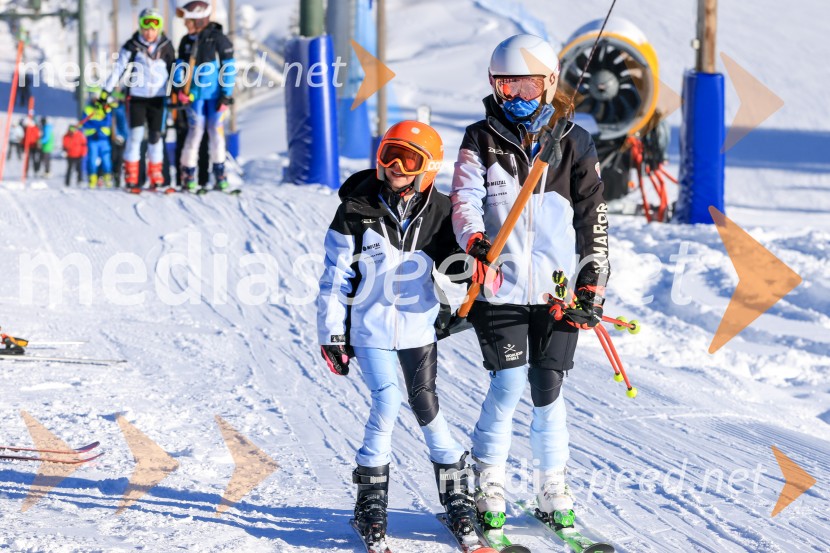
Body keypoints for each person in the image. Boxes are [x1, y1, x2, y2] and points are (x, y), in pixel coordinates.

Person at [450, 34, 610, 533]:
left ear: (550, 83)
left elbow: (593, 218)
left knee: (548, 387)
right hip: (499, 287)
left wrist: (591, 286)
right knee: (508, 382)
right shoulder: (480, 139)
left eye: (527, 86)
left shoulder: (575, 141)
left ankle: (551, 485)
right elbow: (464, 199)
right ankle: (489, 482)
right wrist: (475, 241)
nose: (516, 97)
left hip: (556, 292)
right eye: (506, 86)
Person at [317, 121, 479, 548]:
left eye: (408, 159)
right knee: (387, 401)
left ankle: (457, 494)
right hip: (368, 329)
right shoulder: (355, 209)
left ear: (428, 167)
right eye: (390, 155)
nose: (396, 167)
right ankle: (371, 502)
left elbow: (455, 266)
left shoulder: (440, 211)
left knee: (427, 406)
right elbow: (335, 277)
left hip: (417, 329)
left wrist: (473, 271)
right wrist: (332, 333)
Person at [103, 8, 176, 192]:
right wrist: (106, 91)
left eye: (154, 27)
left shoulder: (166, 46)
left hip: (158, 98)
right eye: (146, 26)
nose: (149, 32)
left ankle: (156, 177)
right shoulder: (132, 45)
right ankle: (132, 177)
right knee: (135, 136)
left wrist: (178, 90)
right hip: (137, 97)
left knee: (155, 137)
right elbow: (119, 69)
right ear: (140, 26)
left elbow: (174, 71)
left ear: (159, 28)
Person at [173, 1, 236, 192]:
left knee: (215, 131)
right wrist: (180, 89)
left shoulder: (218, 39)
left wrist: (226, 95)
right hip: (195, 97)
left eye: (189, 20)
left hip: (215, 97)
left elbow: (228, 68)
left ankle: (220, 174)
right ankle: (188, 174)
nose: (185, 24)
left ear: (199, 20)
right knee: (195, 132)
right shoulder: (186, 41)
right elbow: (180, 67)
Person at [81, 90, 114, 188]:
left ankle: (107, 179)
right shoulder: (87, 108)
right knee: (92, 160)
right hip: (92, 138)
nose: (95, 100)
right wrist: (99, 124)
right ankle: (92, 179)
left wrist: (95, 124)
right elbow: (85, 123)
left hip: (104, 138)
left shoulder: (106, 108)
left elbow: (107, 122)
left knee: (106, 160)